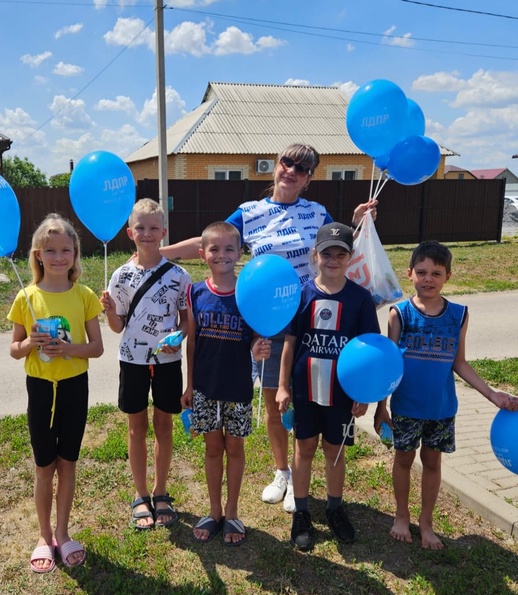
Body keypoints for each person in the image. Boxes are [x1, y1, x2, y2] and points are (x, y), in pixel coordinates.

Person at [160, 143, 377, 512]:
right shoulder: (250, 212)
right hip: (264, 321)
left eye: (303, 168)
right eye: (287, 162)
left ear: (309, 179)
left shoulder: (317, 212)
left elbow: (335, 247)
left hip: (309, 322)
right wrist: (159, 254)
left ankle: (300, 474)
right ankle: (284, 474)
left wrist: (356, 222)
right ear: (276, 166)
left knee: (303, 399)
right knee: (274, 402)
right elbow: (211, 241)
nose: (292, 170)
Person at [374, 240, 518, 550]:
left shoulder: (459, 314)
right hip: (405, 407)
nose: (428, 279)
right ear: (410, 274)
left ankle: (426, 523)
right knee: (403, 461)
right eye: (422, 272)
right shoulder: (398, 314)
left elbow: (459, 362)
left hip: (441, 409)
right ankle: (401, 516)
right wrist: (381, 407)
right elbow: (389, 366)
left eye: (436, 273)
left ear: (448, 277)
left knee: (432, 462)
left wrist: (492, 395)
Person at [7, 213, 104, 573]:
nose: (59, 257)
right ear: (38, 255)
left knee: (68, 462)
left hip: (75, 387)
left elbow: (96, 348)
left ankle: (63, 534)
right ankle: (43, 535)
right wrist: (31, 342)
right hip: (41, 389)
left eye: (66, 250)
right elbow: (14, 349)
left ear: (76, 253)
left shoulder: (85, 296)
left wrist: (69, 349)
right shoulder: (26, 296)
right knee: (44, 466)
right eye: (51, 251)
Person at [276, 222, 380, 551]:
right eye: (326, 254)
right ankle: (303, 512)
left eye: (340, 254)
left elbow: (369, 351)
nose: (333, 260)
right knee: (304, 449)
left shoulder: (361, 299)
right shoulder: (302, 293)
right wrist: (282, 386)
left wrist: (364, 395)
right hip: (306, 390)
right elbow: (290, 345)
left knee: (334, 453)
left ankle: (335, 508)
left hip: (342, 393)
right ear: (315, 255)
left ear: (350, 257)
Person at [101, 198, 191, 531]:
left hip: (168, 362)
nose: (147, 233)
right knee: (136, 428)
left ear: (164, 232)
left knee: (164, 428)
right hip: (133, 362)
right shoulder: (121, 276)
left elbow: (187, 322)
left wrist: (178, 337)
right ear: (130, 233)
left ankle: (161, 491)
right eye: (141, 227)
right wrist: (110, 311)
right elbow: (117, 326)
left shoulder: (180, 276)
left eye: (154, 228)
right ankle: (140, 495)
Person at [181, 222, 271, 546]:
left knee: (234, 448)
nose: (222, 255)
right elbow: (191, 343)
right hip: (205, 387)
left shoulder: (248, 292)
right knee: (212, 448)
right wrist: (189, 385)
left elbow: (255, 337)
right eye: (214, 249)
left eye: (229, 248)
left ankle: (232, 511)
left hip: (238, 387)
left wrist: (258, 347)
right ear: (202, 253)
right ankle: (214, 510)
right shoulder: (195, 292)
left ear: (240, 252)